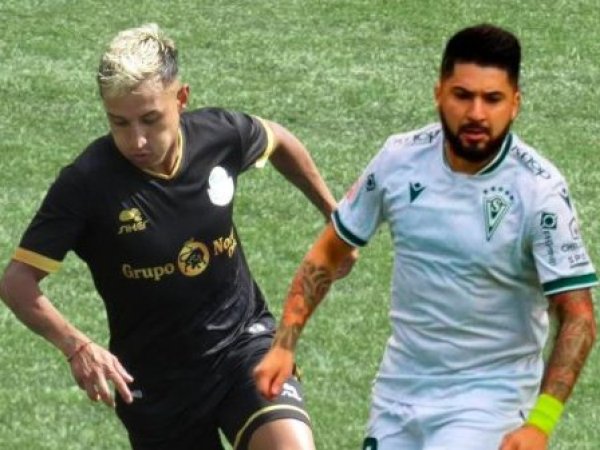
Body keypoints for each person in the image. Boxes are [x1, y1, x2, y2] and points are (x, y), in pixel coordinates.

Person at [0, 23, 350, 450]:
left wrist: (335, 217)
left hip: (243, 344)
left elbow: (279, 140)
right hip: (157, 385)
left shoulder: (219, 136)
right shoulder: (87, 183)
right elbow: (17, 281)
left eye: (150, 119)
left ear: (181, 98)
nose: (137, 140)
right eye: (119, 122)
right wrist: (77, 346)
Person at [254, 23, 598, 450]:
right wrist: (284, 344)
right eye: (462, 95)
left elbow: (579, 316)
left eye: (492, 99)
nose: (476, 113)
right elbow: (329, 251)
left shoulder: (539, 191)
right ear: (439, 93)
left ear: (515, 104)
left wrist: (541, 423)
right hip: (398, 394)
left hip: (489, 402)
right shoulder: (400, 159)